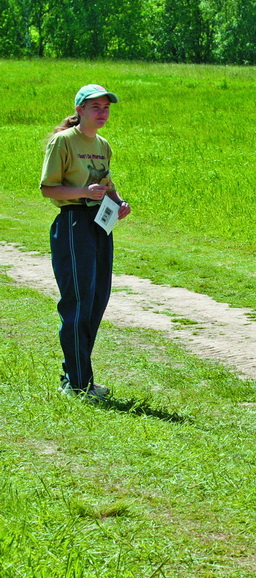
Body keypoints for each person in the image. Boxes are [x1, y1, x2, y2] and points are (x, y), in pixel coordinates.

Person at [40, 84, 131, 401]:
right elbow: (48, 188)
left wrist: (119, 202)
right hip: (73, 224)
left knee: (96, 301)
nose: (102, 113)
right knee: (78, 303)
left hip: (99, 225)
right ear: (79, 110)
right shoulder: (63, 142)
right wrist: (82, 193)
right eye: (96, 107)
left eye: (106, 107)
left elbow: (106, 183)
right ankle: (78, 385)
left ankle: (76, 377)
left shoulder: (103, 144)